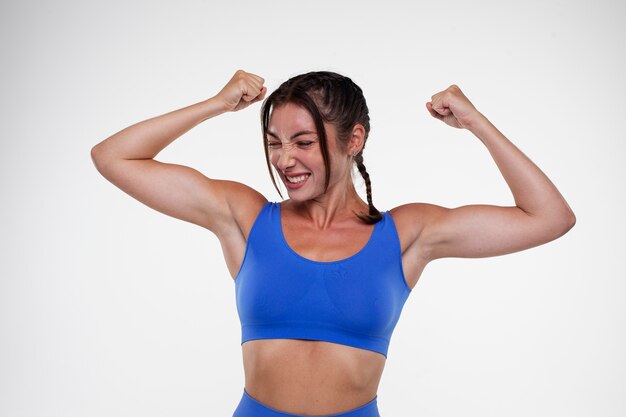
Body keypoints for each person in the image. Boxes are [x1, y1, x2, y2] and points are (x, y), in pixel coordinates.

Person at [91, 69, 576, 417]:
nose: (284, 159)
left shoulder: (408, 234)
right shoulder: (245, 217)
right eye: (274, 142)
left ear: (354, 140)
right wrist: (216, 105)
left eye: (302, 142)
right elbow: (113, 157)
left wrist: (475, 122)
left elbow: (549, 218)